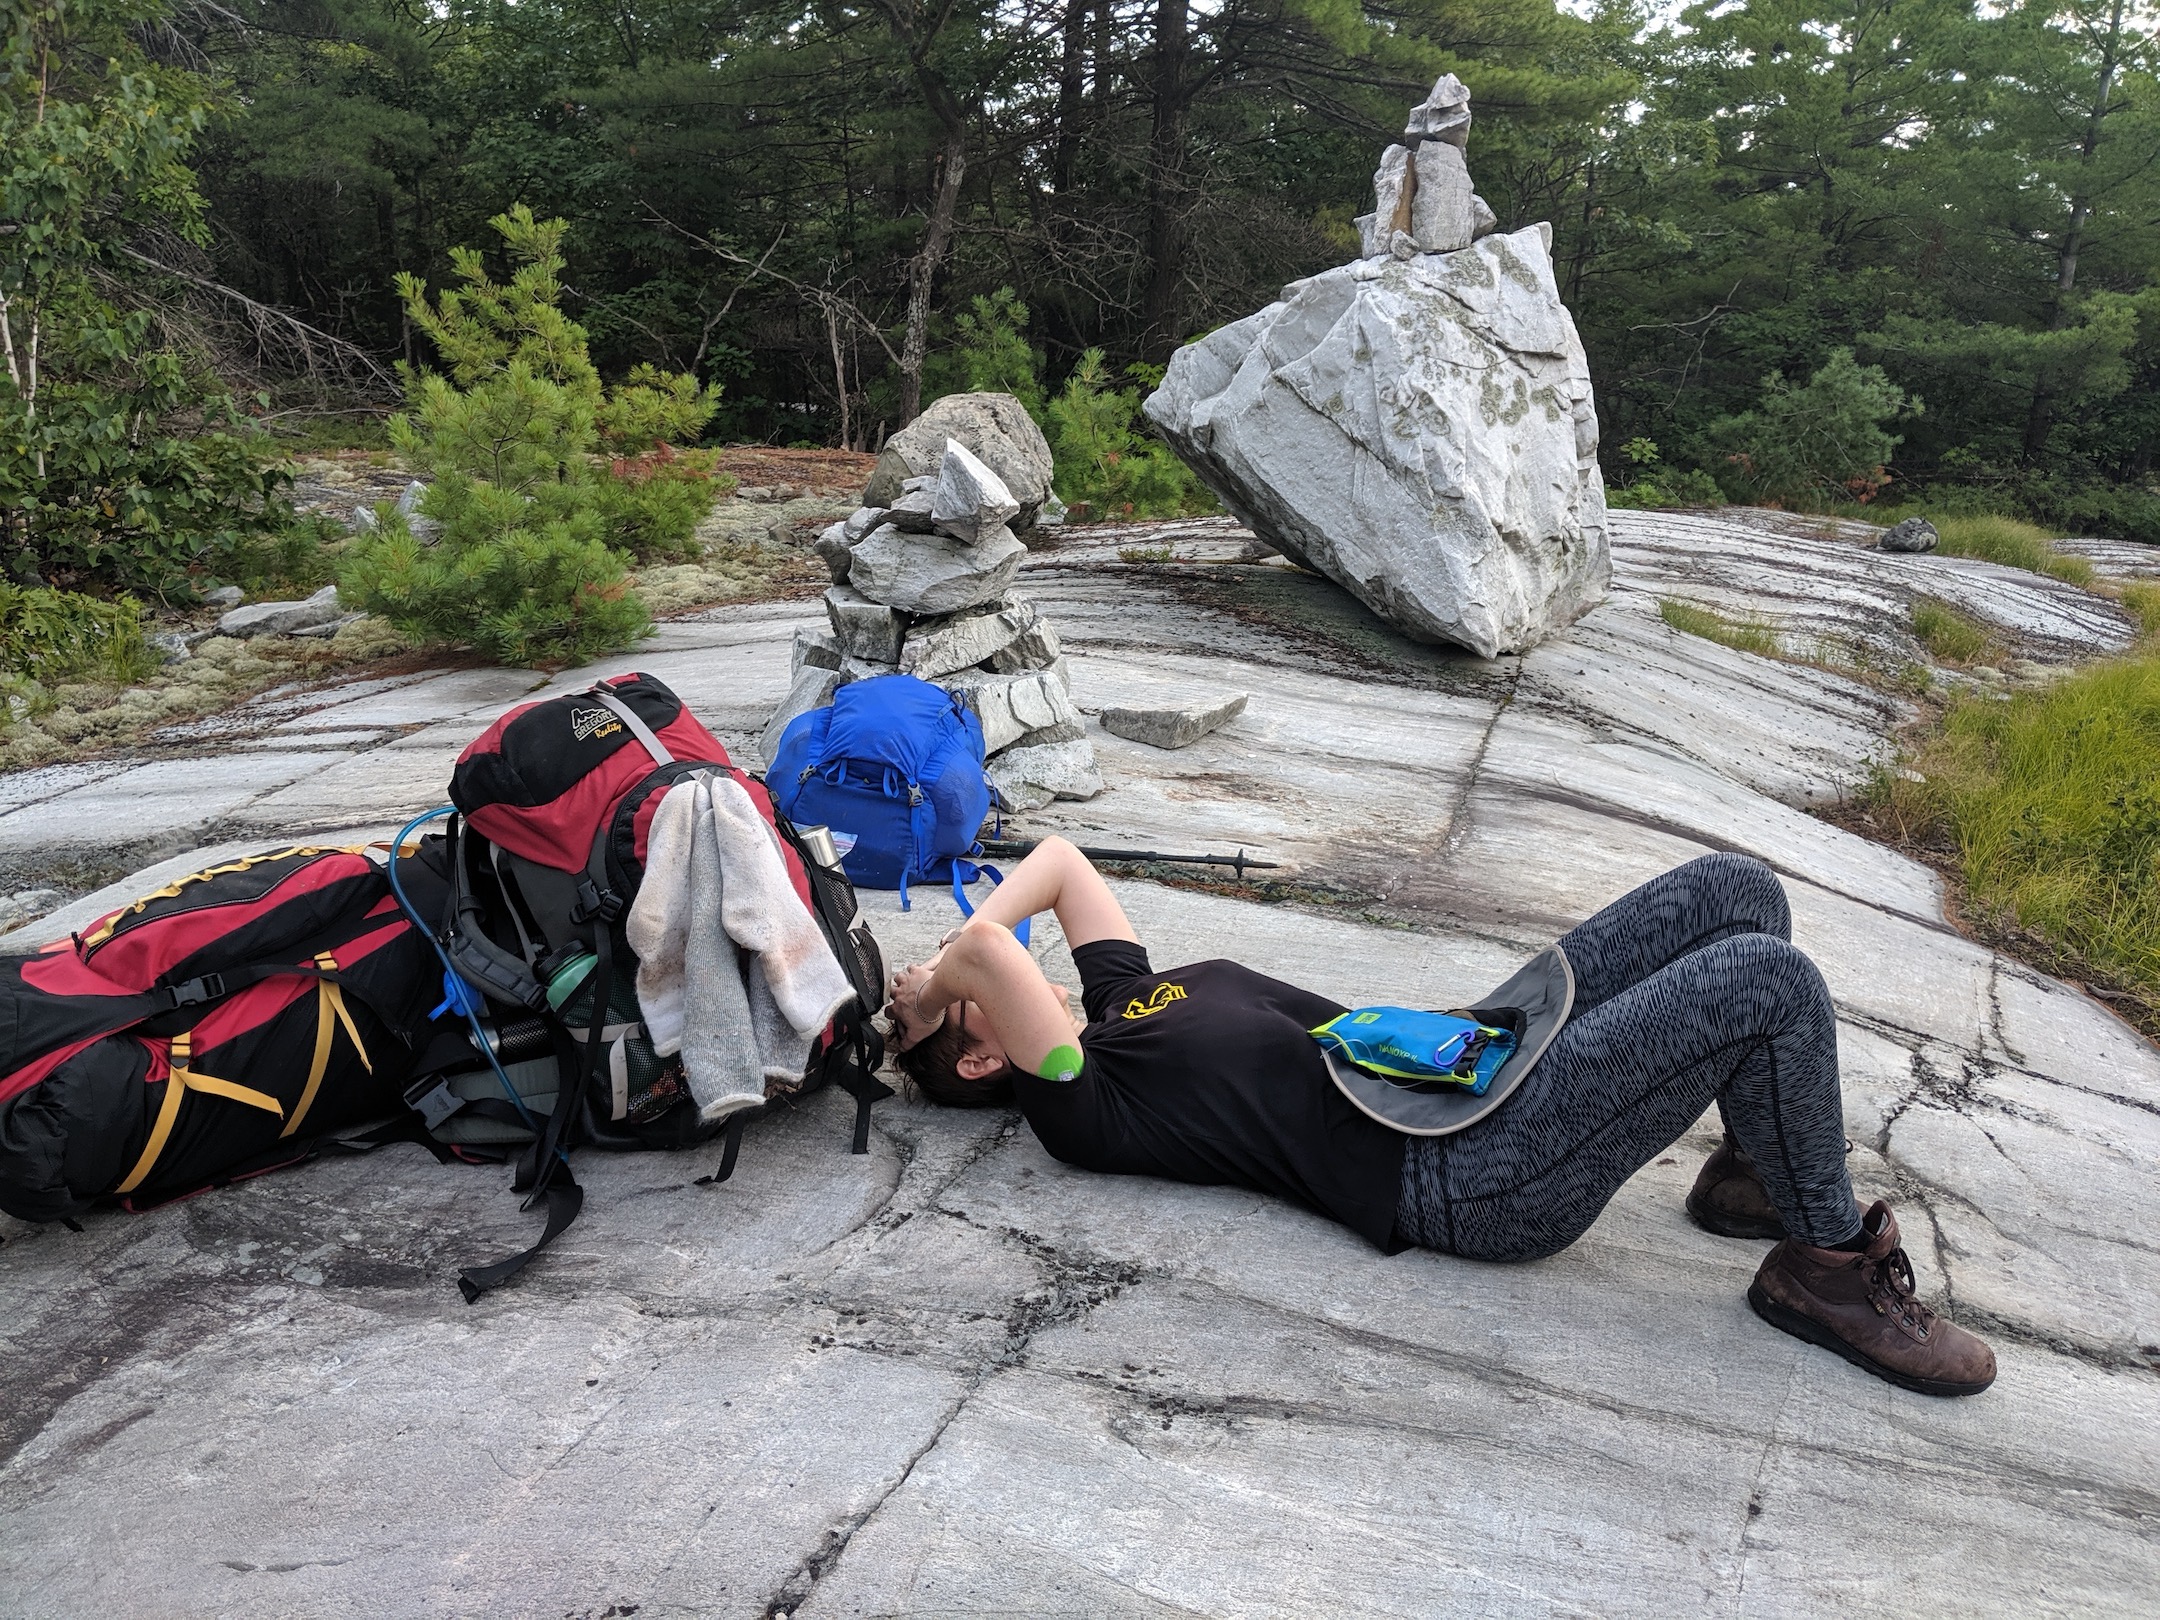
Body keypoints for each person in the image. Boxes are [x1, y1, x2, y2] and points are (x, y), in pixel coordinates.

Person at [885, 837, 1996, 1397]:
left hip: (1468, 1057)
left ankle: (1755, 1176)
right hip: (1466, 1170)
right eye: (978, 1016)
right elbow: (987, 948)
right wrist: (924, 995)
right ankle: (1827, 1268)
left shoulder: (1127, 1000)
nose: (1008, 968)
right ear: (990, 1056)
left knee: (1735, 893)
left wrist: (949, 983)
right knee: (1767, 983)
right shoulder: (1083, 1107)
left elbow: (1064, 865)